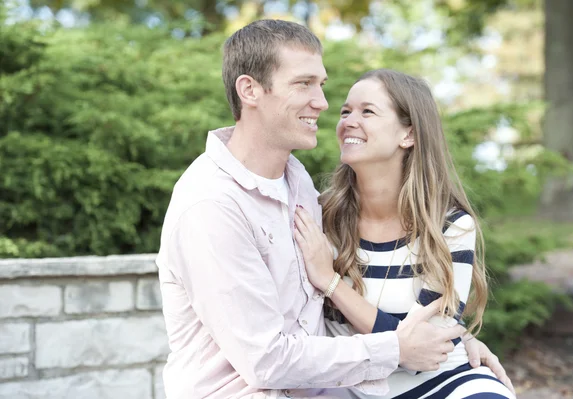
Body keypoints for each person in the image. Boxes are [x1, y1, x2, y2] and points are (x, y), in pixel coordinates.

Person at [155, 19, 513, 399]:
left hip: (327, 389)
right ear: (250, 90)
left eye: (321, 85)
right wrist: (399, 348)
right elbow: (266, 360)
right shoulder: (212, 206)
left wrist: (454, 345)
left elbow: (315, 322)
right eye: (303, 84)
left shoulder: (298, 186)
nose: (324, 105)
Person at [293, 69, 516, 399]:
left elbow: (422, 352)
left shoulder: (451, 227)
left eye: (367, 111)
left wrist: (331, 282)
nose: (349, 121)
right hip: (347, 387)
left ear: (408, 134)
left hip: (440, 382)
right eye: (346, 111)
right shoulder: (318, 217)